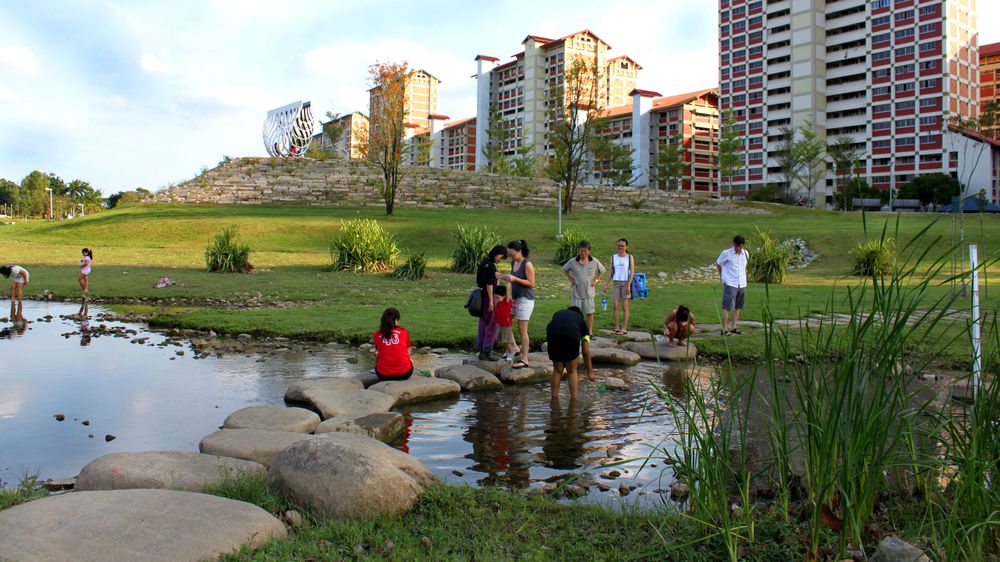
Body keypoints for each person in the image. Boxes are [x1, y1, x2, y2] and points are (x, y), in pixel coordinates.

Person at [546, 306, 595, 401]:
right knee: (572, 370)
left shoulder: (559, 312)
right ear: (580, 315)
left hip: (552, 335)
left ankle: (554, 400)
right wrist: (590, 372)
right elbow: (585, 352)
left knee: (557, 370)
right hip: (570, 337)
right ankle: (574, 400)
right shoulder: (582, 322)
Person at [503, 240, 535, 369]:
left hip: (525, 299)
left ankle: (525, 358)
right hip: (514, 299)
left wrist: (515, 278)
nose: (511, 257)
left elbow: (532, 283)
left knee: (522, 329)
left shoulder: (527, 264)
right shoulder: (513, 262)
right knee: (505, 322)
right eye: (509, 255)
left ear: (519, 251)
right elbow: (511, 280)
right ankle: (515, 348)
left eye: (512, 254)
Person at [562, 240, 606, 334]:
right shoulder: (573, 261)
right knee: (575, 314)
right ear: (579, 250)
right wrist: (570, 278)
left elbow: (602, 271)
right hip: (577, 292)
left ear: (589, 251)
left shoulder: (594, 261)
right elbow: (565, 269)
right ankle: (576, 331)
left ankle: (589, 332)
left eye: (585, 251)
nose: (583, 253)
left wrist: (596, 280)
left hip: (589, 293)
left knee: (590, 313)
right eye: (581, 250)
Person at [475, 245, 507, 360]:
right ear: (496, 253)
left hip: (481, 297)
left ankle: (481, 349)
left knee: (483, 322)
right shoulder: (491, 266)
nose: (500, 259)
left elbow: (483, 281)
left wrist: (496, 277)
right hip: (488, 298)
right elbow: (489, 284)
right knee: (493, 324)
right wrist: (491, 302)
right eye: (501, 257)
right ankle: (487, 351)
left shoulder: (483, 262)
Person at [716, 235, 750, 335]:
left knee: (737, 306)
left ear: (743, 246)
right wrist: (723, 276)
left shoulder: (746, 254)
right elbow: (718, 264)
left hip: (742, 283)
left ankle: (734, 326)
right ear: (733, 244)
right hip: (730, 282)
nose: (738, 248)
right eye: (736, 246)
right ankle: (724, 328)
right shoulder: (726, 253)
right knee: (726, 306)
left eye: (740, 246)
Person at [603, 238, 635, 335]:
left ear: (626, 247)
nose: (620, 247)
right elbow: (611, 271)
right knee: (615, 306)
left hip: (626, 283)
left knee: (625, 306)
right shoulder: (613, 257)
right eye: (619, 245)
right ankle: (616, 327)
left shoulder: (630, 257)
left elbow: (632, 272)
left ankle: (624, 328)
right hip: (616, 282)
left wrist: (629, 285)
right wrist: (606, 283)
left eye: (622, 245)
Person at [372, 307, 413, 381]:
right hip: (404, 374)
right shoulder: (403, 332)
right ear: (396, 321)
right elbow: (408, 350)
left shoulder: (376, 334)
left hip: (383, 375)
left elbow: (379, 351)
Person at [494, 285, 517, 360]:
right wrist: (499, 279)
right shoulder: (499, 302)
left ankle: (511, 351)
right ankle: (508, 350)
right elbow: (497, 287)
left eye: (498, 297)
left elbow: (508, 291)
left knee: (506, 341)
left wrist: (509, 281)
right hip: (500, 324)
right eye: (495, 298)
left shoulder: (507, 301)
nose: (496, 299)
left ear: (504, 296)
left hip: (506, 325)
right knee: (502, 340)